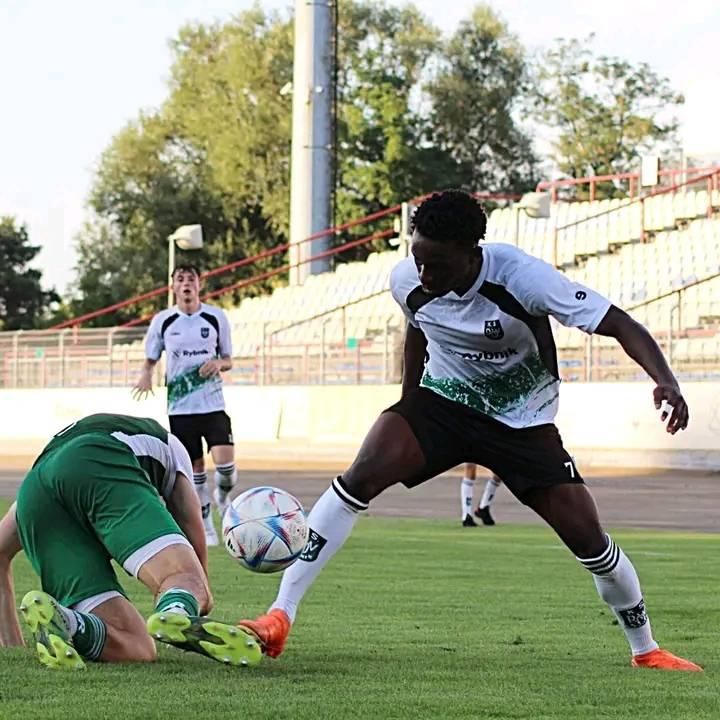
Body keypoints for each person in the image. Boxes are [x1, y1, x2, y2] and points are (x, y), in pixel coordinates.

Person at [240, 189, 701, 672]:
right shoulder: (408, 280)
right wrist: (407, 402)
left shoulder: (523, 278)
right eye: (419, 260)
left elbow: (618, 323)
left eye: (437, 264)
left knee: (590, 541)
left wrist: (665, 382)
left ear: (471, 253)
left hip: (522, 422)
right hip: (445, 402)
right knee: (362, 472)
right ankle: (279, 616)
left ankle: (645, 649)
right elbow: (418, 326)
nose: (425, 274)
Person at [0, 413, 261, 669]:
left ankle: (68, 622)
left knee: (137, 646)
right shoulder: (172, 447)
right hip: (97, 459)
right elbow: (189, 515)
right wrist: (200, 590)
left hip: (33, 493)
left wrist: (12, 645)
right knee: (186, 580)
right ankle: (176, 612)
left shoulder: (50, 467)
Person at [133, 264, 237, 546]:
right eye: (180, 279)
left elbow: (228, 358)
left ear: (199, 285)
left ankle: (223, 496)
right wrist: (145, 375)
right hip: (180, 409)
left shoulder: (215, 317)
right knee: (195, 473)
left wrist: (218, 363)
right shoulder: (163, 321)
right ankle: (207, 526)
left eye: (191, 279)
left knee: (227, 469)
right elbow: (151, 358)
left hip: (213, 404)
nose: (186, 283)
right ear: (174, 287)